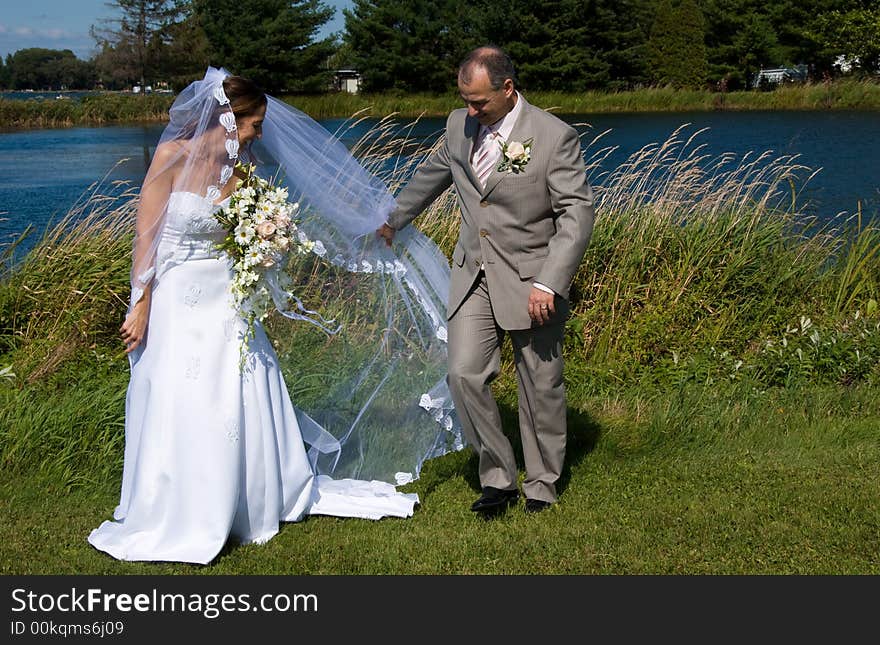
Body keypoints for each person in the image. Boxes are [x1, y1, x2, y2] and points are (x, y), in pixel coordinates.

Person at [88, 68, 460, 564]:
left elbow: (253, 234)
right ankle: (177, 503)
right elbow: (146, 237)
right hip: (177, 295)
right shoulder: (170, 158)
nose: (257, 134)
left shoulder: (244, 173)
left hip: (228, 296)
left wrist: (269, 242)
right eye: (253, 124)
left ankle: (248, 500)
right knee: (177, 391)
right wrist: (141, 302)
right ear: (227, 118)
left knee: (237, 390)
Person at [377, 46, 595, 515]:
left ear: (507, 88)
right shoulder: (459, 126)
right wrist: (393, 219)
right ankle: (498, 477)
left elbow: (576, 213)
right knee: (463, 375)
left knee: (540, 386)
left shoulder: (554, 137)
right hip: (472, 272)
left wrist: (550, 282)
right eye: (465, 99)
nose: (470, 110)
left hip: (532, 281)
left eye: (479, 102)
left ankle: (541, 484)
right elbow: (434, 174)